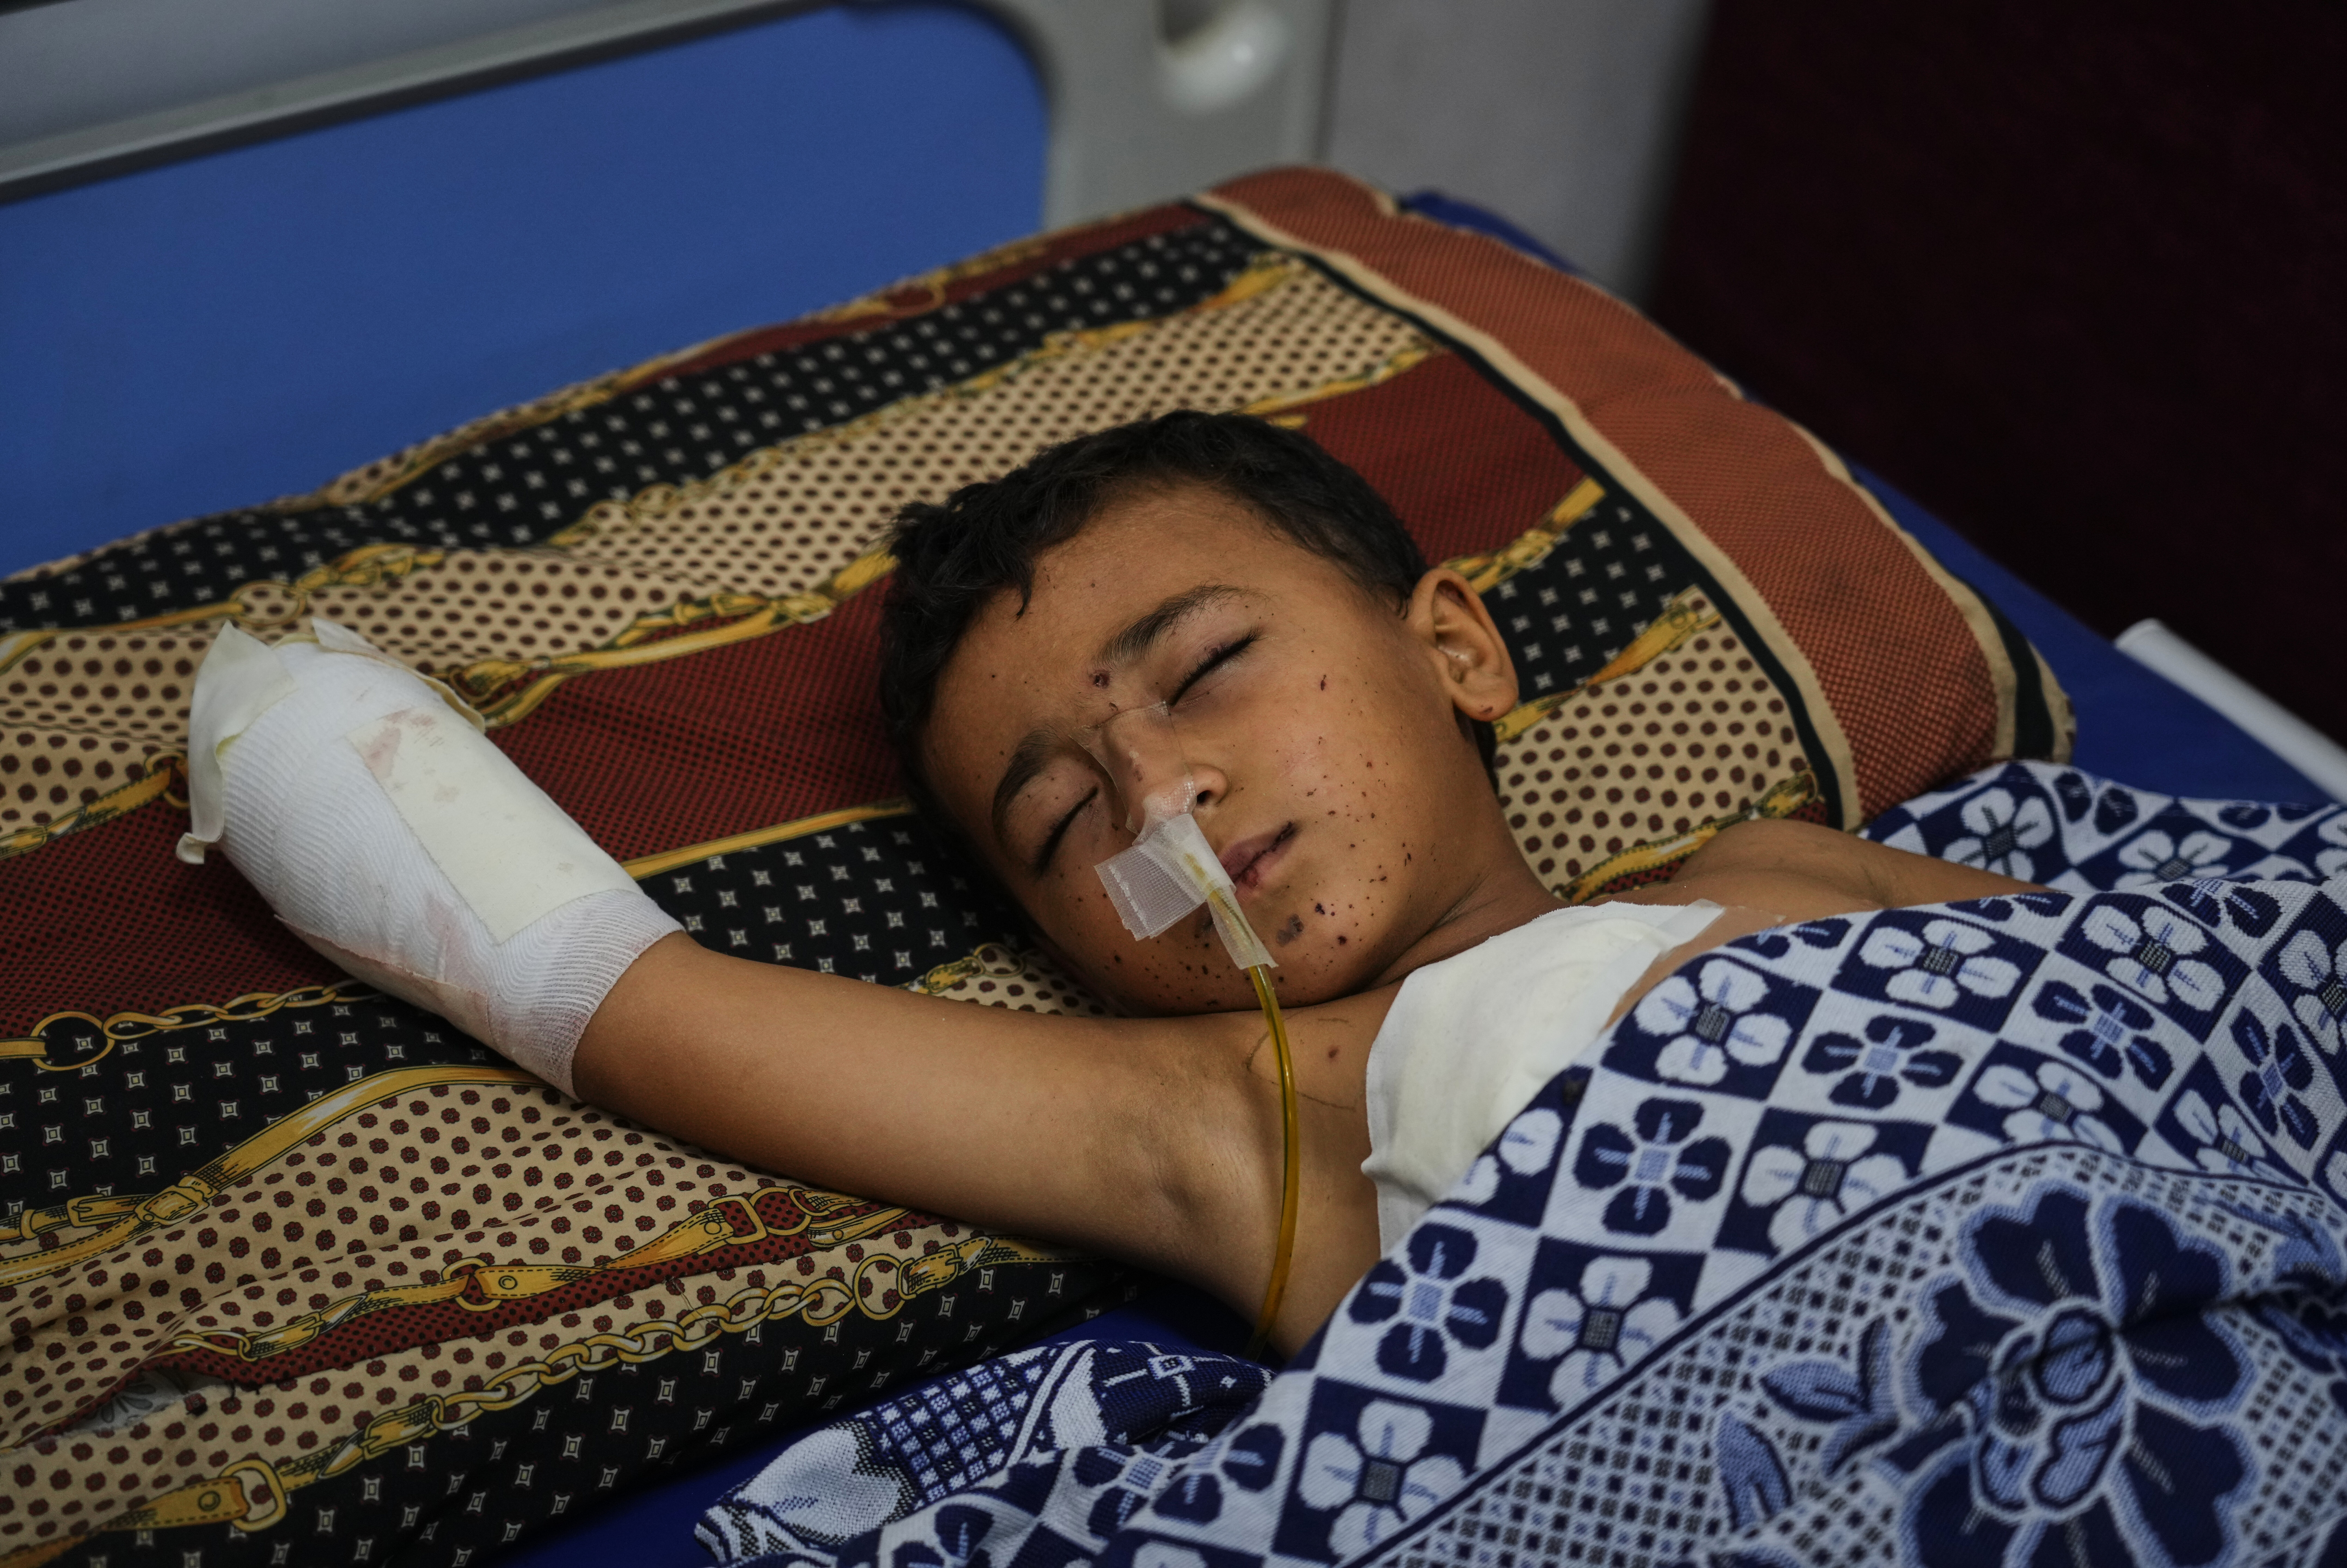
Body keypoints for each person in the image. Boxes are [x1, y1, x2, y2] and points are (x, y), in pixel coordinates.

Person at [188, 412, 2039, 1357]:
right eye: (1061, 822)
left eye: (1205, 664)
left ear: (1461, 650)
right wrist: (274, 717)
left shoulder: (1783, 866)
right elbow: (604, 987)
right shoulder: (1249, 1119)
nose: (1159, 792)